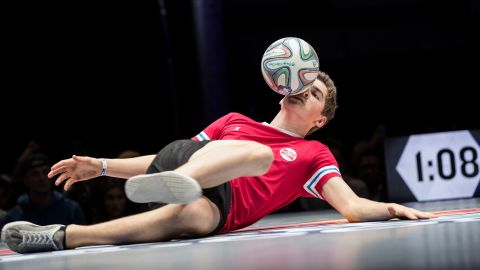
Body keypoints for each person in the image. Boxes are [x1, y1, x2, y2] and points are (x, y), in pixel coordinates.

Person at [1, 71, 436, 253]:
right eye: (302, 81)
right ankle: (178, 182)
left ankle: (62, 236)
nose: (305, 88)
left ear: (319, 120)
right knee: (259, 153)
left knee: (184, 218)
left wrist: (389, 207)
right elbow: (163, 156)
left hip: (217, 211)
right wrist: (99, 165)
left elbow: (351, 207)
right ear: (284, 86)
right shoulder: (236, 121)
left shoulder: (313, 154)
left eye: (316, 91)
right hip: (184, 163)